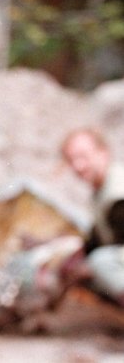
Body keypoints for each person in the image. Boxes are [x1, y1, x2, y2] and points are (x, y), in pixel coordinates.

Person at [61, 128, 124, 306]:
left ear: (103, 153)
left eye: (83, 157)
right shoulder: (101, 189)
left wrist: (90, 266)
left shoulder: (118, 191)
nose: (78, 166)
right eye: (71, 160)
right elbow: (100, 237)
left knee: (100, 263)